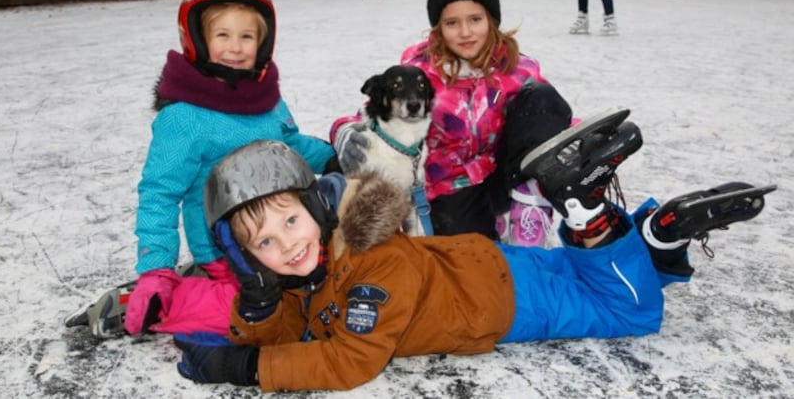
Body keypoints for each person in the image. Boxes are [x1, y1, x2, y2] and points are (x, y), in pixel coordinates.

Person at [171, 114, 772, 392]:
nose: (287, 245)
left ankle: (590, 211)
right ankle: (657, 236)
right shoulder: (317, 263)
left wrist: (245, 370)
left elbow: (351, 360)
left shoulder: (371, 264)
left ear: (318, 206)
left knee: (630, 312)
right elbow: (296, 325)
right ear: (246, 257)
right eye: (263, 244)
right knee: (597, 276)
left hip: (505, 302)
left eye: (290, 221)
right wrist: (255, 311)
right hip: (492, 265)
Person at [122, 0, 337, 337]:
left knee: (336, 283)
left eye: (246, 36)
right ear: (198, 41)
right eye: (223, 35)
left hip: (284, 233)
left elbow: (290, 146)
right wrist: (156, 268)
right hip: (228, 252)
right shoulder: (185, 118)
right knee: (261, 318)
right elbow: (160, 194)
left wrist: (335, 157)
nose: (236, 48)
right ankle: (168, 299)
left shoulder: (266, 100)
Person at [332, 0, 572, 247]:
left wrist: (577, 139)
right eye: (452, 23)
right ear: (438, 27)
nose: (465, 32)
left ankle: (528, 212)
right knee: (467, 251)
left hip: (501, 178)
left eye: (475, 19)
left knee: (542, 97)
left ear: (491, 19)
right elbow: (375, 114)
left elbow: (546, 117)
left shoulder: (517, 68)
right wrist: (343, 130)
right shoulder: (421, 73)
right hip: (449, 189)